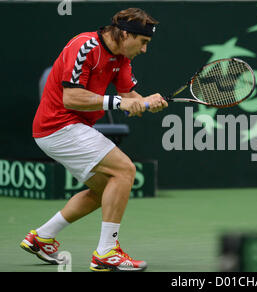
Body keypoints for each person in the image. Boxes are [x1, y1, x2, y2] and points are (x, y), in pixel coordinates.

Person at [20, 8, 167, 272]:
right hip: (58, 126)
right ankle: (106, 253)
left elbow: (127, 94)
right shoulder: (85, 46)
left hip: (73, 127)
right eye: (143, 42)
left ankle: (41, 237)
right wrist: (120, 102)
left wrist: (146, 102)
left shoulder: (121, 57)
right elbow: (71, 98)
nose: (145, 50)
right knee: (125, 171)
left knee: (106, 189)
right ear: (125, 34)